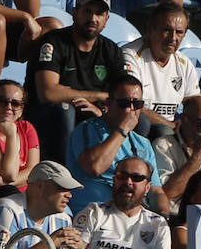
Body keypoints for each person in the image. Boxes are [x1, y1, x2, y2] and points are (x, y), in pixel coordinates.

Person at [26, 0, 128, 156]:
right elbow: (48, 93)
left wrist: (102, 111)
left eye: (99, 14)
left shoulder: (111, 50)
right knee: (65, 109)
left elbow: (123, 94)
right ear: (75, 12)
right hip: (47, 114)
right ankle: (64, 172)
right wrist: (98, 96)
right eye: (87, 11)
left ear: (107, 18)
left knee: (140, 120)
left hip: (93, 112)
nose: (93, 18)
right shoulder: (53, 42)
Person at [66, 73, 155, 208]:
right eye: (124, 103)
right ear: (108, 103)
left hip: (130, 214)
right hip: (92, 213)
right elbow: (94, 167)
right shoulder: (86, 129)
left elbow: (155, 190)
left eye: (137, 104)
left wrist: (164, 215)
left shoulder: (143, 143)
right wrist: (122, 129)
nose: (130, 109)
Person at [121, 2, 199, 134]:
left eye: (179, 32)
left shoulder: (184, 63)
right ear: (151, 29)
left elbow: (195, 104)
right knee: (162, 131)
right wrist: (172, 126)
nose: (173, 38)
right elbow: (133, 107)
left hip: (170, 126)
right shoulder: (131, 55)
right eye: (166, 30)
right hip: (138, 127)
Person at [152, 95, 201, 212]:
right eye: (199, 121)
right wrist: (197, 157)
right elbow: (165, 194)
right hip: (176, 218)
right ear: (183, 119)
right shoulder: (163, 145)